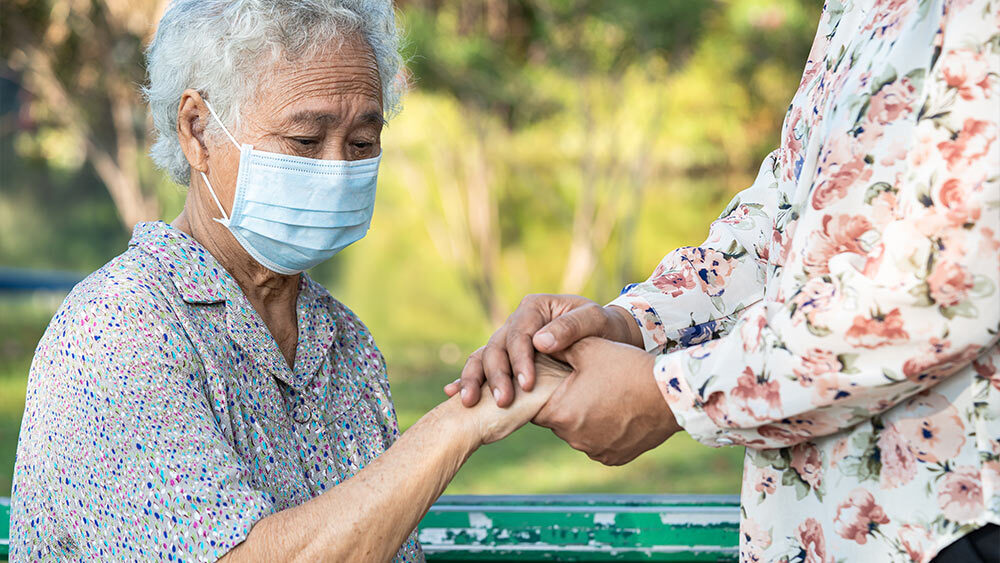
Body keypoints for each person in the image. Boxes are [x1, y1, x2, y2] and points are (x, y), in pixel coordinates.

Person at [9, 1, 571, 560]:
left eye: (362, 143)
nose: (337, 171)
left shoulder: (342, 340)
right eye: (305, 141)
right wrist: (461, 423)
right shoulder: (117, 330)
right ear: (198, 130)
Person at [448, 0, 1000, 560]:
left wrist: (671, 394)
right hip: (819, 528)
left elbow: (941, 288)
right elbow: (786, 219)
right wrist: (629, 323)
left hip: (952, 527)